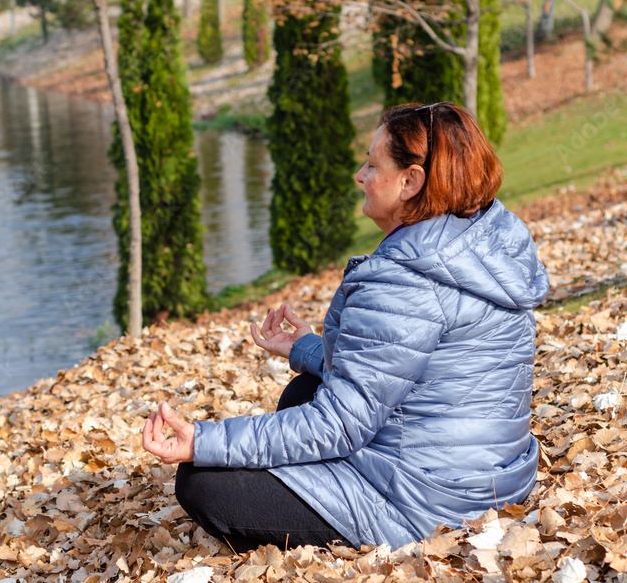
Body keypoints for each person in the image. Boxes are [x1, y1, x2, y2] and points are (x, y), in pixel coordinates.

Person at [141, 101, 550, 553]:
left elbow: (338, 424)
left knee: (202, 483)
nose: (360, 175)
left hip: (435, 506)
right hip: (496, 475)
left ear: (411, 182)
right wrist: (306, 348)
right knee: (302, 391)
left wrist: (202, 440)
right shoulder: (480, 238)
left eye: (373, 165)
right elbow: (408, 367)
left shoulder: (406, 281)